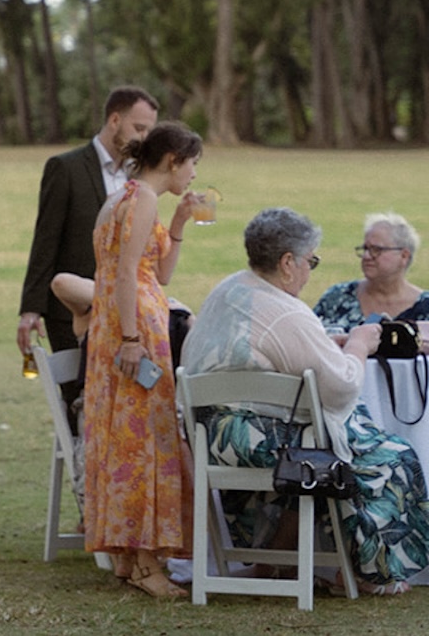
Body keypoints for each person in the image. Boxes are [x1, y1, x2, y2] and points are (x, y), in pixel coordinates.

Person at [179, 207, 429, 595]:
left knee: (329, 442)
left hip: (210, 435)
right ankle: (372, 569)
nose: (311, 270)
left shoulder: (228, 291)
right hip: (265, 446)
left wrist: (328, 346)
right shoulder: (284, 311)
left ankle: (270, 565)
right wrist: (361, 344)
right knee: (393, 455)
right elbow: (342, 387)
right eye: (310, 261)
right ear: (287, 262)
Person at [81, 120, 202, 597]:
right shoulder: (142, 199)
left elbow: (159, 274)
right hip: (134, 328)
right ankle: (148, 561)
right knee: (143, 442)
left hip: (125, 320)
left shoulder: (125, 197)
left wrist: (179, 225)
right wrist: (131, 338)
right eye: (192, 164)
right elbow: (127, 273)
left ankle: (131, 558)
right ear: (173, 160)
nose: (193, 175)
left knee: (127, 439)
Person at [17, 86, 159, 356]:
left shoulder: (139, 178)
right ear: (115, 120)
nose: (144, 139)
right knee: (75, 395)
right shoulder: (65, 168)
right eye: (139, 128)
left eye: (149, 131)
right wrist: (31, 309)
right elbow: (46, 239)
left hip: (124, 311)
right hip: (71, 310)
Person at [313, 212, 429, 331]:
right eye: (365, 249)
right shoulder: (337, 297)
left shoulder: (425, 307)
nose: (367, 256)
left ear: (404, 256)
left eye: (376, 250)